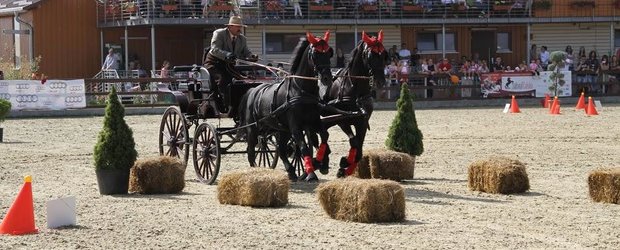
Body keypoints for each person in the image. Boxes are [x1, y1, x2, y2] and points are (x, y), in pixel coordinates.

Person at [204, 15, 258, 119]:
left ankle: (242, 105)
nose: (240, 29)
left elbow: (246, 52)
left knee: (244, 81)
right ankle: (227, 106)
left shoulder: (242, 38)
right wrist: (226, 54)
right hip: (214, 64)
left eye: (240, 26)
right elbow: (214, 49)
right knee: (224, 80)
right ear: (230, 27)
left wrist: (252, 56)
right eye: (238, 26)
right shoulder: (219, 33)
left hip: (230, 66)